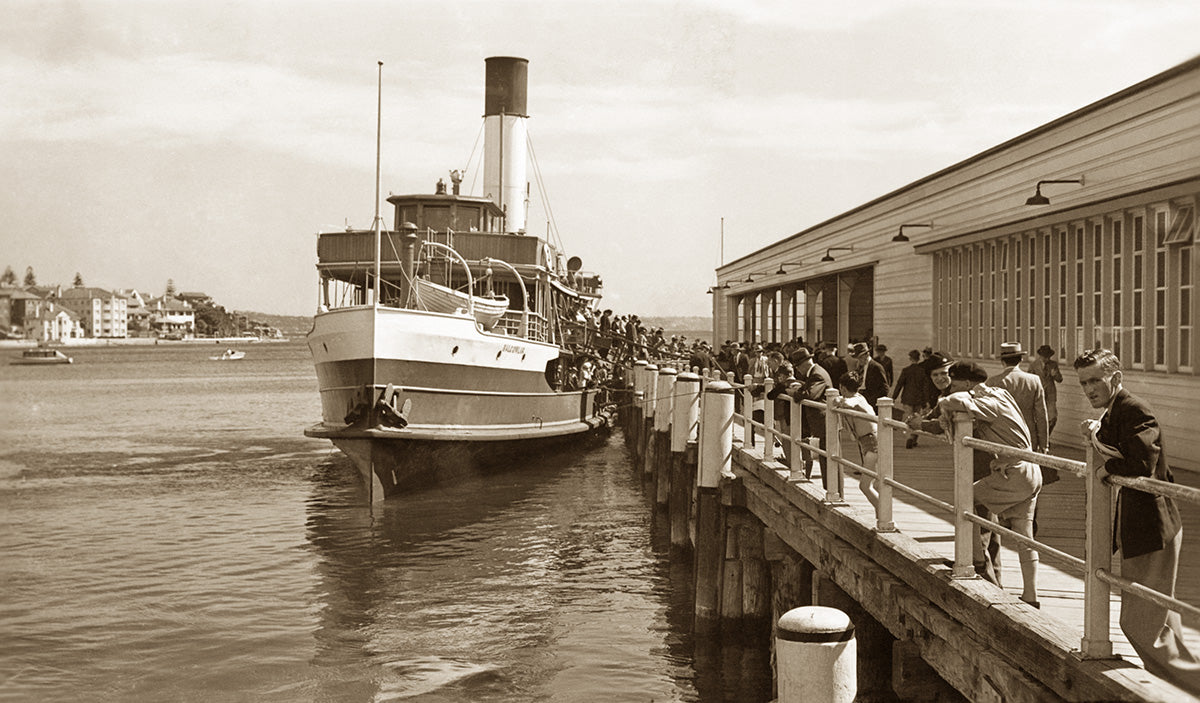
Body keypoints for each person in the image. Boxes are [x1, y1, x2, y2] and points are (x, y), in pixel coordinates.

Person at [1075, 349, 1198, 692]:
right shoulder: (1117, 410)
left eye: (1096, 380)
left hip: (1153, 528)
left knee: (1139, 623)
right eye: (1084, 382)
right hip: (1145, 525)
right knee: (1160, 621)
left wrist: (1105, 468)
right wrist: (1097, 434)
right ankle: (1178, 685)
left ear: (1116, 378)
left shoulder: (1134, 409)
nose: (1089, 389)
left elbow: (1142, 463)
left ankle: (1189, 686)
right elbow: (1124, 446)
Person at [938, 361, 1042, 608]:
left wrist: (943, 404)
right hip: (1030, 469)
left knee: (964, 499)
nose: (951, 388)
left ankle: (974, 561)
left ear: (964, 383)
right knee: (1024, 537)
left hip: (1014, 472)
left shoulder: (988, 401)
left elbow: (961, 403)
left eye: (954, 383)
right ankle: (1031, 596)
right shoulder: (1001, 393)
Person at [987, 342, 1055, 487]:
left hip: (1001, 437)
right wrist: (1044, 444)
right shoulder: (1034, 381)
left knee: (1004, 478)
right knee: (1029, 477)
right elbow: (1041, 415)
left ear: (1002, 361)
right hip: (1029, 438)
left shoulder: (993, 382)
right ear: (1021, 359)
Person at [832, 371, 880, 509]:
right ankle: (881, 519)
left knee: (865, 486)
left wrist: (838, 400)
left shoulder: (857, 399)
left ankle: (885, 515)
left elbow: (850, 403)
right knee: (875, 484)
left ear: (842, 388)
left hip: (873, 443)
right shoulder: (859, 397)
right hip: (867, 443)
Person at [788, 347, 832, 484]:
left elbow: (810, 395)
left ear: (804, 363)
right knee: (826, 457)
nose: (798, 370)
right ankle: (830, 489)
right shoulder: (815, 373)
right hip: (823, 423)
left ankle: (832, 491)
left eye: (797, 366)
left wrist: (793, 393)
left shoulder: (817, 374)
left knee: (828, 459)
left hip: (826, 423)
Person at [891, 349, 930, 448]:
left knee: (907, 417)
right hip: (919, 399)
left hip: (907, 398)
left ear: (910, 358)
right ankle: (914, 438)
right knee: (916, 419)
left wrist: (894, 397)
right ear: (918, 358)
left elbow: (899, 384)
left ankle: (908, 437)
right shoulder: (922, 371)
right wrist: (926, 401)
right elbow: (925, 388)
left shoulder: (906, 370)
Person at [1029, 344, 1064, 436]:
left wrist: (1055, 375)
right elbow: (1028, 380)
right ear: (1040, 356)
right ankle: (1040, 438)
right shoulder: (1034, 365)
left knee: (1052, 418)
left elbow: (1060, 379)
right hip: (1038, 394)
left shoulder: (1053, 364)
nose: (1047, 359)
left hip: (1050, 395)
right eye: (1045, 357)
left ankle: (1046, 436)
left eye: (1048, 357)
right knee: (1039, 417)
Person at [849, 342, 889, 411]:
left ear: (867, 354)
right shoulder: (859, 367)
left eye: (861, 357)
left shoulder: (876, 367)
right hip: (860, 400)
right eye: (858, 358)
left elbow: (885, 389)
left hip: (871, 403)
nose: (859, 360)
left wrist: (871, 402)